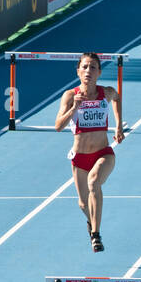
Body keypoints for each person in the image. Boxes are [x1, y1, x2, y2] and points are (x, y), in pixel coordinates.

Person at [54, 54, 124, 251]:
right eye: (84, 67)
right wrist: (74, 108)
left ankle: (96, 235)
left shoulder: (106, 93)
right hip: (79, 158)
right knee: (84, 205)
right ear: (78, 71)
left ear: (99, 72)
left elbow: (117, 98)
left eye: (93, 67)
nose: (88, 71)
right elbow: (58, 126)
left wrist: (118, 126)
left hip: (103, 153)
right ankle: (91, 223)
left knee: (94, 182)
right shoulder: (70, 95)